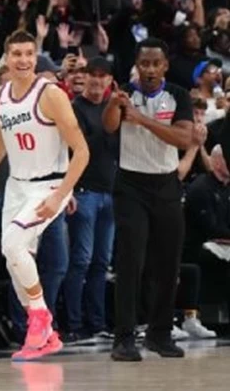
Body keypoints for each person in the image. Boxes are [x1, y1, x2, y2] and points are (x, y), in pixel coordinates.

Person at [0, 29, 90, 361]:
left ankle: (39, 316)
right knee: (15, 258)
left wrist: (62, 194)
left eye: (28, 54)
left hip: (51, 184)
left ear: (35, 57)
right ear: (7, 57)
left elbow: (82, 151)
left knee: (13, 245)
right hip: (17, 185)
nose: (22, 60)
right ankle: (46, 336)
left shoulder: (51, 94)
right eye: (16, 54)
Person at [102, 37, 195, 362]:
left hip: (167, 184)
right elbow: (109, 126)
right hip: (130, 185)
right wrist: (114, 106)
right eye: (145, 63)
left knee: (168, 265)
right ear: (137, 65)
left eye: (156, 63)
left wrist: (142, 120)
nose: (151, 69)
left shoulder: (179, 95)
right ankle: (123, 338)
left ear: (166, 65)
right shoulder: (125, 93)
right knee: (130, 263)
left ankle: (160, 334)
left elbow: (185, 137)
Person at [62, 57, 118, 344]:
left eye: (103, 76)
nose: (97, 81)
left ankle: (97, 324)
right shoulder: (75, 109)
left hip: (110, 192)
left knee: (101, 262)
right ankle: (74, 324)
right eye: (92, 76)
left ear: (109, 80)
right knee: (81, 260)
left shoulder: (113, 109)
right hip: (84, 191)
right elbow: (78, 150)